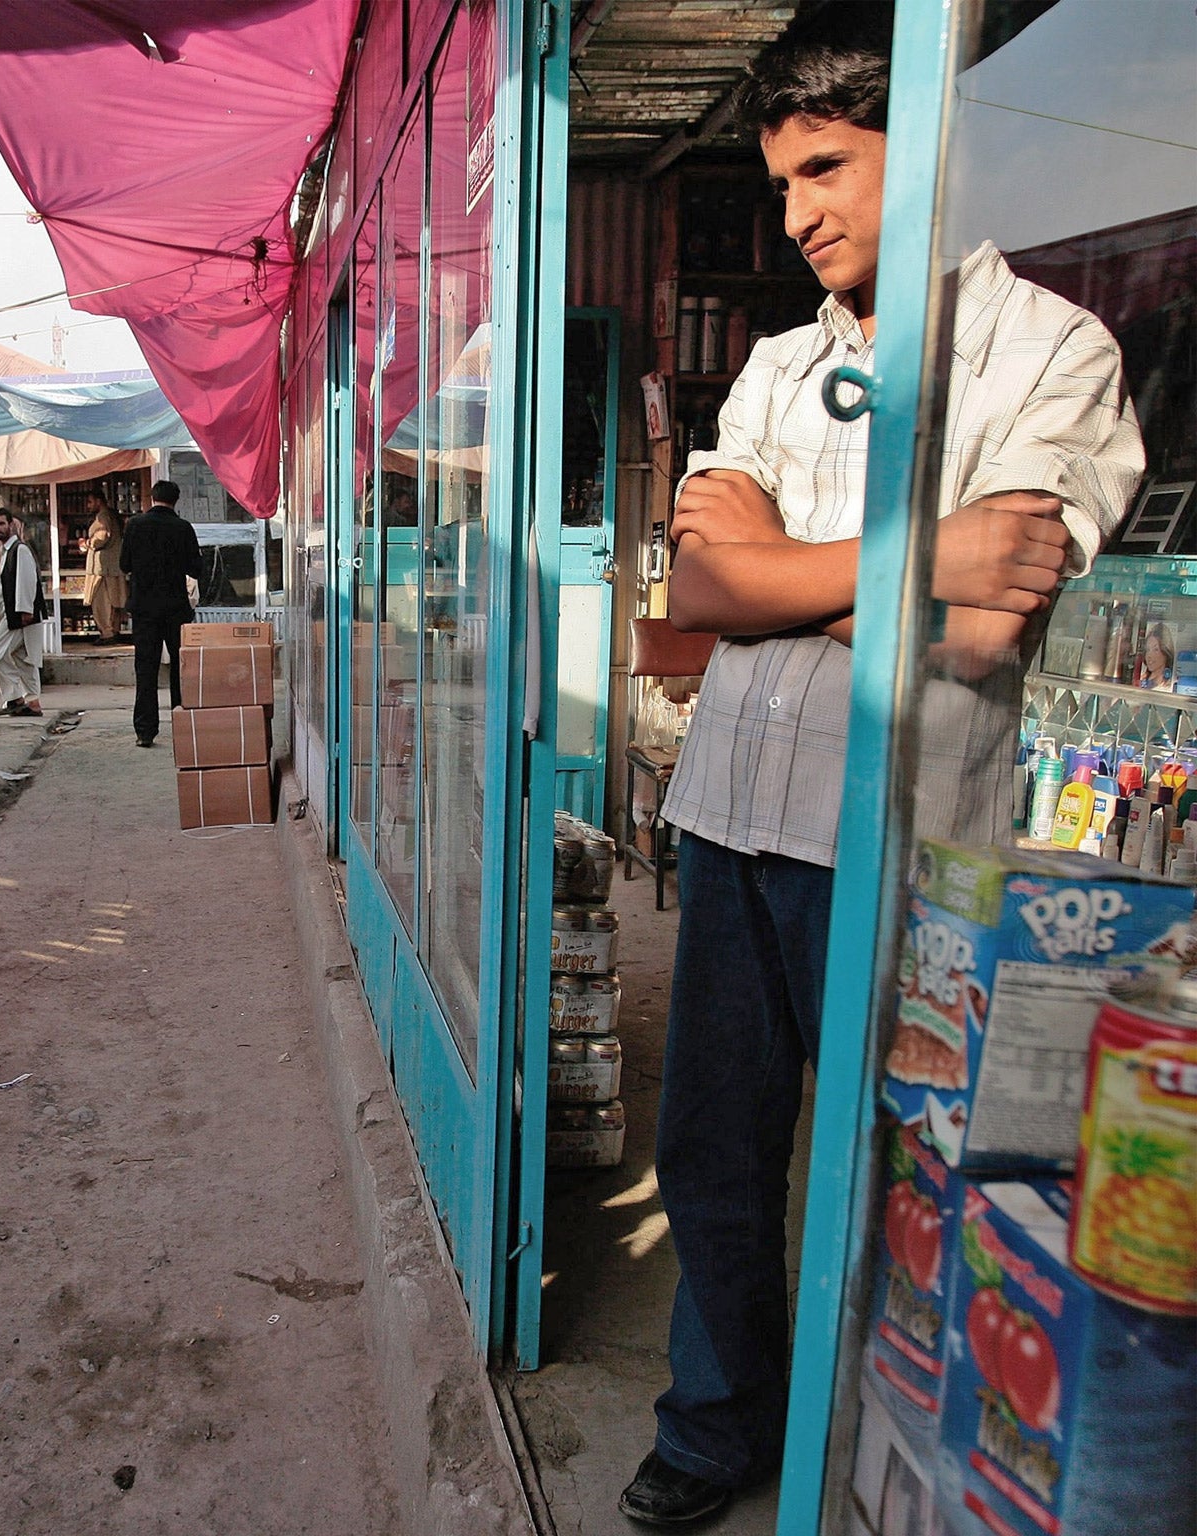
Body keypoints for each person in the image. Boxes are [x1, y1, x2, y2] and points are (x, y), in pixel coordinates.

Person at [621, 9, 1144, 1526]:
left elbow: (986, 631)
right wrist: (927, 552)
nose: (797, 219)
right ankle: (719, 1425)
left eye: (828, 170)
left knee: (897, 1163)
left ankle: (860, 1447)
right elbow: (699, 598)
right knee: (714, 1151)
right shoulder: (780, 364)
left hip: (907, 846)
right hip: (731, 819)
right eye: (781, 184)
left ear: (929, 150)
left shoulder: (1053, 352)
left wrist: (798, 570)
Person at [120, 479, 204, 748]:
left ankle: (145, 732)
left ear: (153, 498)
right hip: (174, 609)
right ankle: (183, 728)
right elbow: (196, 570)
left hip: (144, 610)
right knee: (181, 669)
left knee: (146, 670)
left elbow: (124, 564)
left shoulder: (135, 526)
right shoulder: (183, 528)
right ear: (175, 501)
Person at [0, 506, 45, 717]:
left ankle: (16, 698)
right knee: (22, 657)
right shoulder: (8, 553)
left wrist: (25, 611)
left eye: (1, 523)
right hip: (13, 614)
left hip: (21, 616)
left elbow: (28, 582)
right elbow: (3, 587)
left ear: (11, 525)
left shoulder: (20, 550)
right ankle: (31, 702)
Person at [81, 490, 128, 642]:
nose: (87, 506)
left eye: (90, 502)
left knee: (101, 601)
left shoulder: (103, 517)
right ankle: (114, 630)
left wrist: (87, 543)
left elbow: (102, 536)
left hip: (102, 567)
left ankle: (107, 633)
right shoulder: (112, 515)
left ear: (98, 501)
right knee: (114, 600)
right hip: (112, 565)